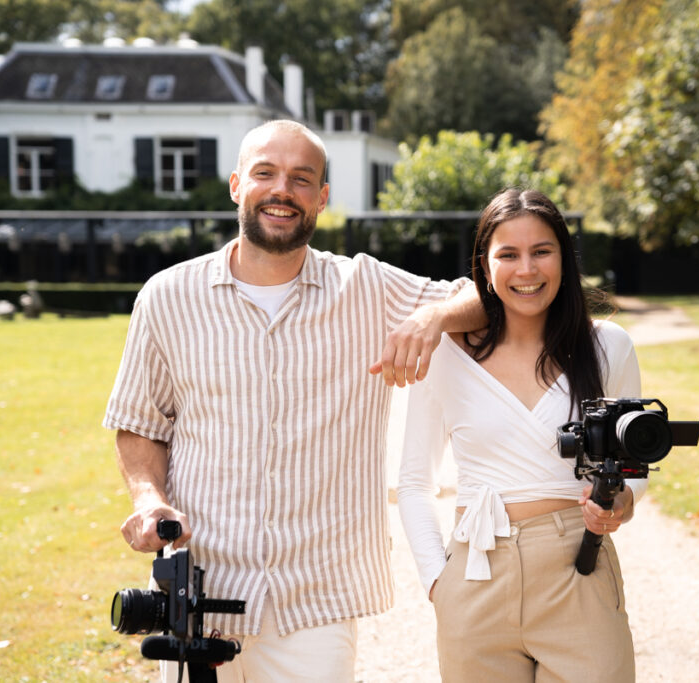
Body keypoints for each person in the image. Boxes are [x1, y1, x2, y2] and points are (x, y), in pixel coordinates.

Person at [103, 119, 483, 682]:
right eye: (265, 173)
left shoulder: (368, 288)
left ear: (322, 198)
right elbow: (140, 421)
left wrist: (432, 316)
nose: (282, 190)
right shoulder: (167, 297)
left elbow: (484, 298)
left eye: (302, 179)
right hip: (202, 591)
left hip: (318, 603)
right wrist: (148, 499)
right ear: (236, 185)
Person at [397, 188, 645, 682]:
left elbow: (634, 466)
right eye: (508, 255)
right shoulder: (447, 355)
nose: (526, 270)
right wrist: (437, 583)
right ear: (485, 270)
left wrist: (621, 504)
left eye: (541, 251)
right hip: (474, 578)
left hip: (580, 569)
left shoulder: (608, 347)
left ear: (564, 259)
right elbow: (413, 482)